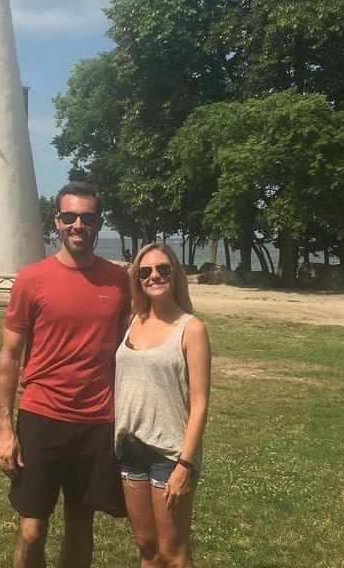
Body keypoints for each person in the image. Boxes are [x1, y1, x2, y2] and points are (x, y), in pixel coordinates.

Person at [0, 182, 131, 568]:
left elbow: (133, 345)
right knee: (31, 531)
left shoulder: (118, 281)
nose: (78, 225)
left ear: (98, 223)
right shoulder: (31, 279)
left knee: (80, 524)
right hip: (42, 418)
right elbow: (9, 356)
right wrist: (5, 428)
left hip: (96, 422)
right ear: (57, 221)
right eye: (69, 216)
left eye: (87, 218)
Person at [115, 243, 211, 568]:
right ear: (138, 278)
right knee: (146, 546)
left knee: (173, 551)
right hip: (130, 447)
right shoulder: (132, 321)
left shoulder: (191, 328)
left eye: (163, 269)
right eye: (145, 271)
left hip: (171, 454)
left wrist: (185, 464)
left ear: (175, 274)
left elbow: (200, 402)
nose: (154, 276)